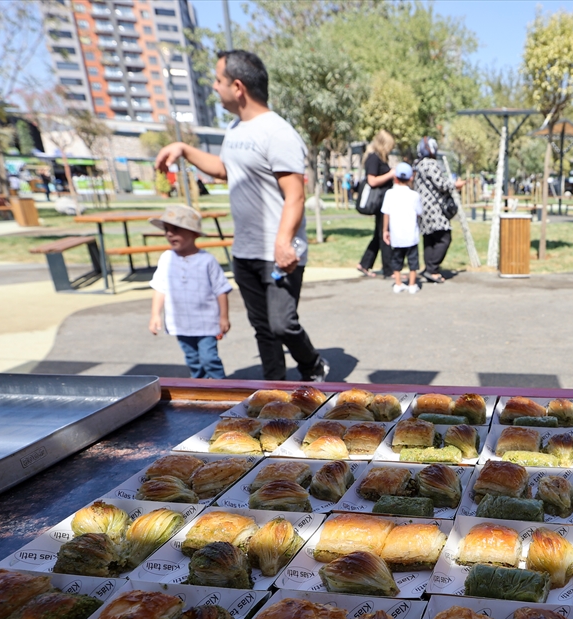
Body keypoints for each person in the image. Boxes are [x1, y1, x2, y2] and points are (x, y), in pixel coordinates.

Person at [154, 49, 329, 382]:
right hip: (245, 250)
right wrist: (185, 150)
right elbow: (225, 170)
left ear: (238, 86)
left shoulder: (277, 132)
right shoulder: (234, 129)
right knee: (263, 329)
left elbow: (295, 195)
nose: (214, 88)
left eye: (218, 80)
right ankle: (275, 393)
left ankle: (312, 365)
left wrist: (282, 242)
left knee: (282, 323)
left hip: (279, 252)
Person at [147, 205, 232, 379]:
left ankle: (221, 389)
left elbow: (220, 289)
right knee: (193, 360)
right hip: (180, 323)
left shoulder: (207, 260)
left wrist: (223, 317)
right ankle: (200, 390)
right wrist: (155, 314)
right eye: (167, 230)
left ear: (194, 233)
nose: (170, 234)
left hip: (207, 323)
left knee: (209, 359)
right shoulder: (166, 258)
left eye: (176, 229)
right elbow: (160, 287)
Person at [412, 136, 464, 284]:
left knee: (429, 238)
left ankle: (429, 268)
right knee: (444, 237)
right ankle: (432, 269)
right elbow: (441, 184)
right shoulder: (430, 164)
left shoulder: (418, 164)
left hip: (422, 207)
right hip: (433, 207)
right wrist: (456, 185)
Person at [357, 130, 396, 278]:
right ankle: (389, 269)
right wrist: (390, 174)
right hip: (380, 201)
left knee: (379, 234)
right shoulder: (373, 158)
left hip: (384, 200)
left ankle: (365, 263)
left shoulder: (380, 157)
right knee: (385, 233)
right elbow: (372, 180)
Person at [382, 162, 422, 295]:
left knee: (397, 258)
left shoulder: (389, 194)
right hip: (411, 234)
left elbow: (386, 213)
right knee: (413, 260)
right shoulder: (414, 195)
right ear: (411, 178)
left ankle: (398, 283)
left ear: (395, 178)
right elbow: (419, 212)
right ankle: (412, 284)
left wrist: (385, 230)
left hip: (396, 233)